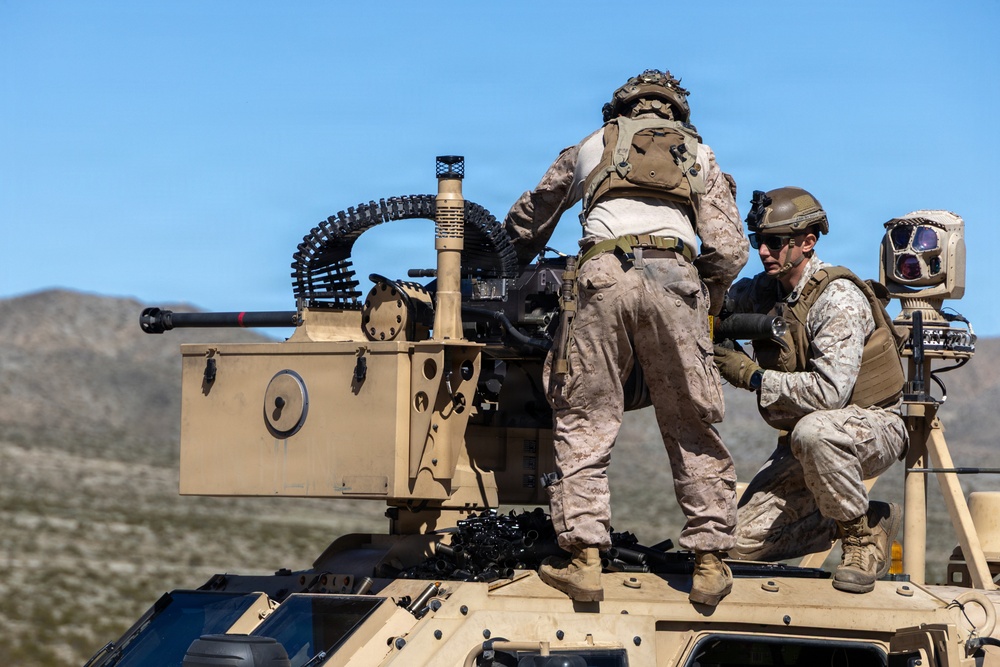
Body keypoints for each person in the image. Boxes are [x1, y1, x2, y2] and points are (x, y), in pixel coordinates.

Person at [504, 69, 748, 605]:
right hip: (675, 276)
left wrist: (504, 258)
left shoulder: (592, 145)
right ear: (677, 113)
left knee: (585, 417)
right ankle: (709, 562)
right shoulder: (701, 156)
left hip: (602, 276)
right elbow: (730, 250)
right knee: (690, 420)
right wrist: (707, 297)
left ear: (621, 109)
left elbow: (531, 218)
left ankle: (585, 559)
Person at [714, 186, 908, 594]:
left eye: (775, 242)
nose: (763, 251)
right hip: (807, 445)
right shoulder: (765, 291)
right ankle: (856, 516)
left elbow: (828, 393)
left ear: (807, 242)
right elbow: (715, 305)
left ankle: (860, 538)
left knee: (814, 432)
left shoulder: (837, 299)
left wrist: (751, 375)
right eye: (758, 241)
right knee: (732, 544)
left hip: (871, 427)